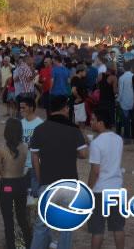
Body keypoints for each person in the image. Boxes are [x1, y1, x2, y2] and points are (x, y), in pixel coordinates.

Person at [29, 95, 88, 249]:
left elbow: (34, 156)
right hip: (68, 183)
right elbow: (83, 154)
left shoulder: (40, 129)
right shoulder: (73, 129)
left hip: (47, 181)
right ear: (64, 108)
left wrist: (40, 177)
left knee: (41, 224)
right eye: (67, 107)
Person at [87, 108, 125, 249]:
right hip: (116, 188)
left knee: (97, 230)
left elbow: (95, 171)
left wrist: (88, 188)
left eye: (93, 119)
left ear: (100, 122)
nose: (91, 122)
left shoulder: (96, 143)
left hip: (100, 190)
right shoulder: (119, 139)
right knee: (118, 227)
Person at [0, 118, 31, 249]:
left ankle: (11, 245)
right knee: (22, 217)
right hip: (21, 184)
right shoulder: (25, 147)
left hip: (7, 185)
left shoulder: (1, 149)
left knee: (8, 219)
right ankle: (28, 243)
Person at [19, 96, 43, 197]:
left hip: (36, 166)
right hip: (22, 165)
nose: (21, 110)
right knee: (22, 195)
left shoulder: (40, 124)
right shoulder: (20, 123)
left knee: (36, 194)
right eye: (20, 108)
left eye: (23, 108)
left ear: (32, 108)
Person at [117, 62, 134, 141]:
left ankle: (127, 135)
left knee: (126, 119)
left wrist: (118, 100)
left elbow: (120, 91)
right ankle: (133, 135)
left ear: (124, 68)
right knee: (133, 119)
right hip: (133, 101)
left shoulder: (122, 78)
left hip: (124, 101)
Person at [71, 65, 88, 129]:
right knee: (80, 122)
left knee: (79, 121)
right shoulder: (76, 79)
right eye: (85, 71)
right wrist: (78, 97)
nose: (86, 73)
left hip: (80, 102)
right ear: (80, 71)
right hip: (78, 103)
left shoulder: (79, 79)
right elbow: (73, 90)